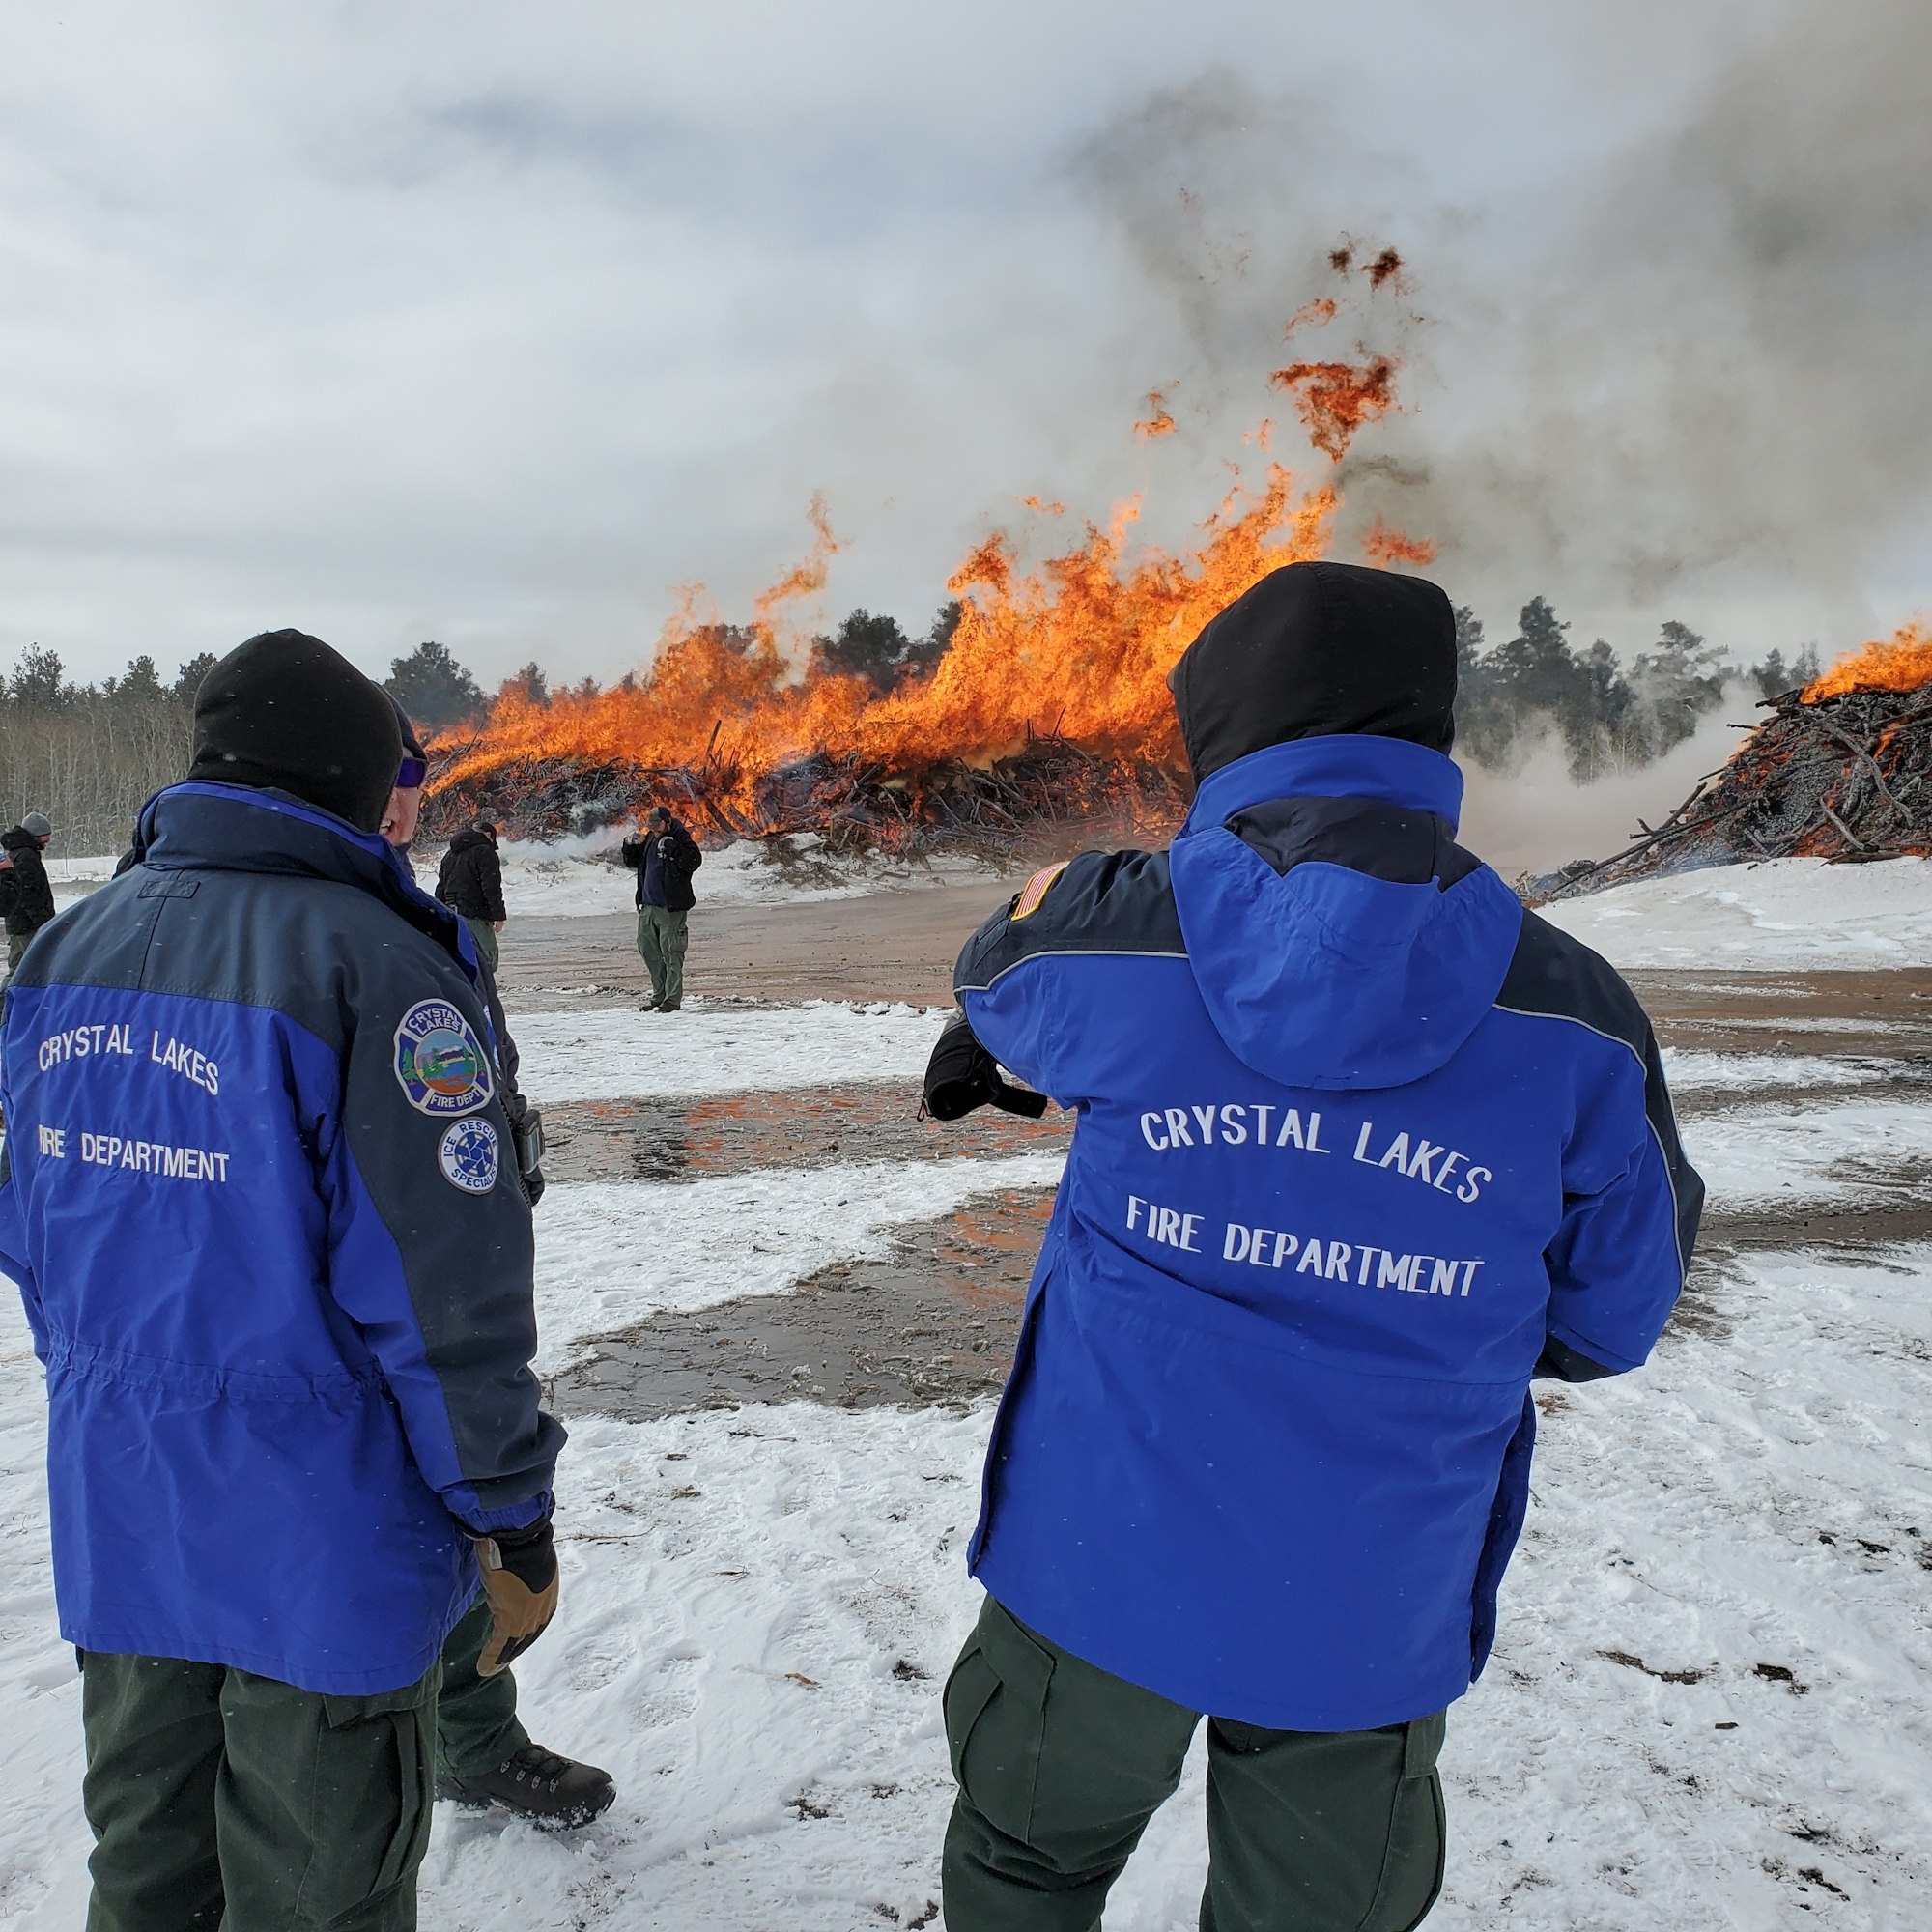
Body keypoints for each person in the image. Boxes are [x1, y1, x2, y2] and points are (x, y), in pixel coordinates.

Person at [926, 560, 1703, 1932]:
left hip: (1096, 1549)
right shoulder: (1579, 1014)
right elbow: (1611, 1318)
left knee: (1028, 1862)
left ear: (1224, 721)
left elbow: (994, 980)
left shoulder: (1109, 929)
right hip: (1366, 1594)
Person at [0, 630, 566, 1929]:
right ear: (349, 778)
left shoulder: (65, 950)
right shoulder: (376, 965)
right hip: (320, 1538)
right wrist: (510, 1511)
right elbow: (443, 1296)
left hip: (125, 1513)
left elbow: (34, 1232)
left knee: (147, 1871)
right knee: (319, 1890)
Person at [382, 712, 617, 1829]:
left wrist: (507, 1143)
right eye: (388, 775)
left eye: (414, 776)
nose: (405, 797)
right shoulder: (349, 937)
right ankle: (413, 1751)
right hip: (360, 1311)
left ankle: (470, 1738)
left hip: (433, 1261)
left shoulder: (417, 918)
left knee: (447, 1514)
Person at [619, 803, 701, 1012]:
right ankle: (659, 995)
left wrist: (674, 849)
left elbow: (693, 862)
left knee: (671, 953)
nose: (654, 829)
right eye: (651, 825)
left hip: (670, 909)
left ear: (667, 822)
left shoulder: (681, 838)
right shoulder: (650, 839)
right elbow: (633, 862)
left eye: (657, 825)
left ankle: (672, 999)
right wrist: (629, 845)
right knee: (649, 952)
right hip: (648, 907)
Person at [436, 817, 508, 972]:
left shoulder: (450, 854)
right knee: (487, 959)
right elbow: (491, 887)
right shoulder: (485, 852)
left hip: (451, 914)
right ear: (488, 834)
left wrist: (440, 913)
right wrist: (498, 915)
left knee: (458, 958)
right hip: (475, 914)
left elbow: (441, 887)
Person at [0, 810, 56, 977]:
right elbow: (28, 892)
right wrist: (41, 921)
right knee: (35, 968)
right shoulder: (26, 856)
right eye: (45, 835)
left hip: (17, 923)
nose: (48, 840)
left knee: (17, 969)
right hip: (29, 925)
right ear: (36, 834)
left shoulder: (15, 852)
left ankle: (8, 993)